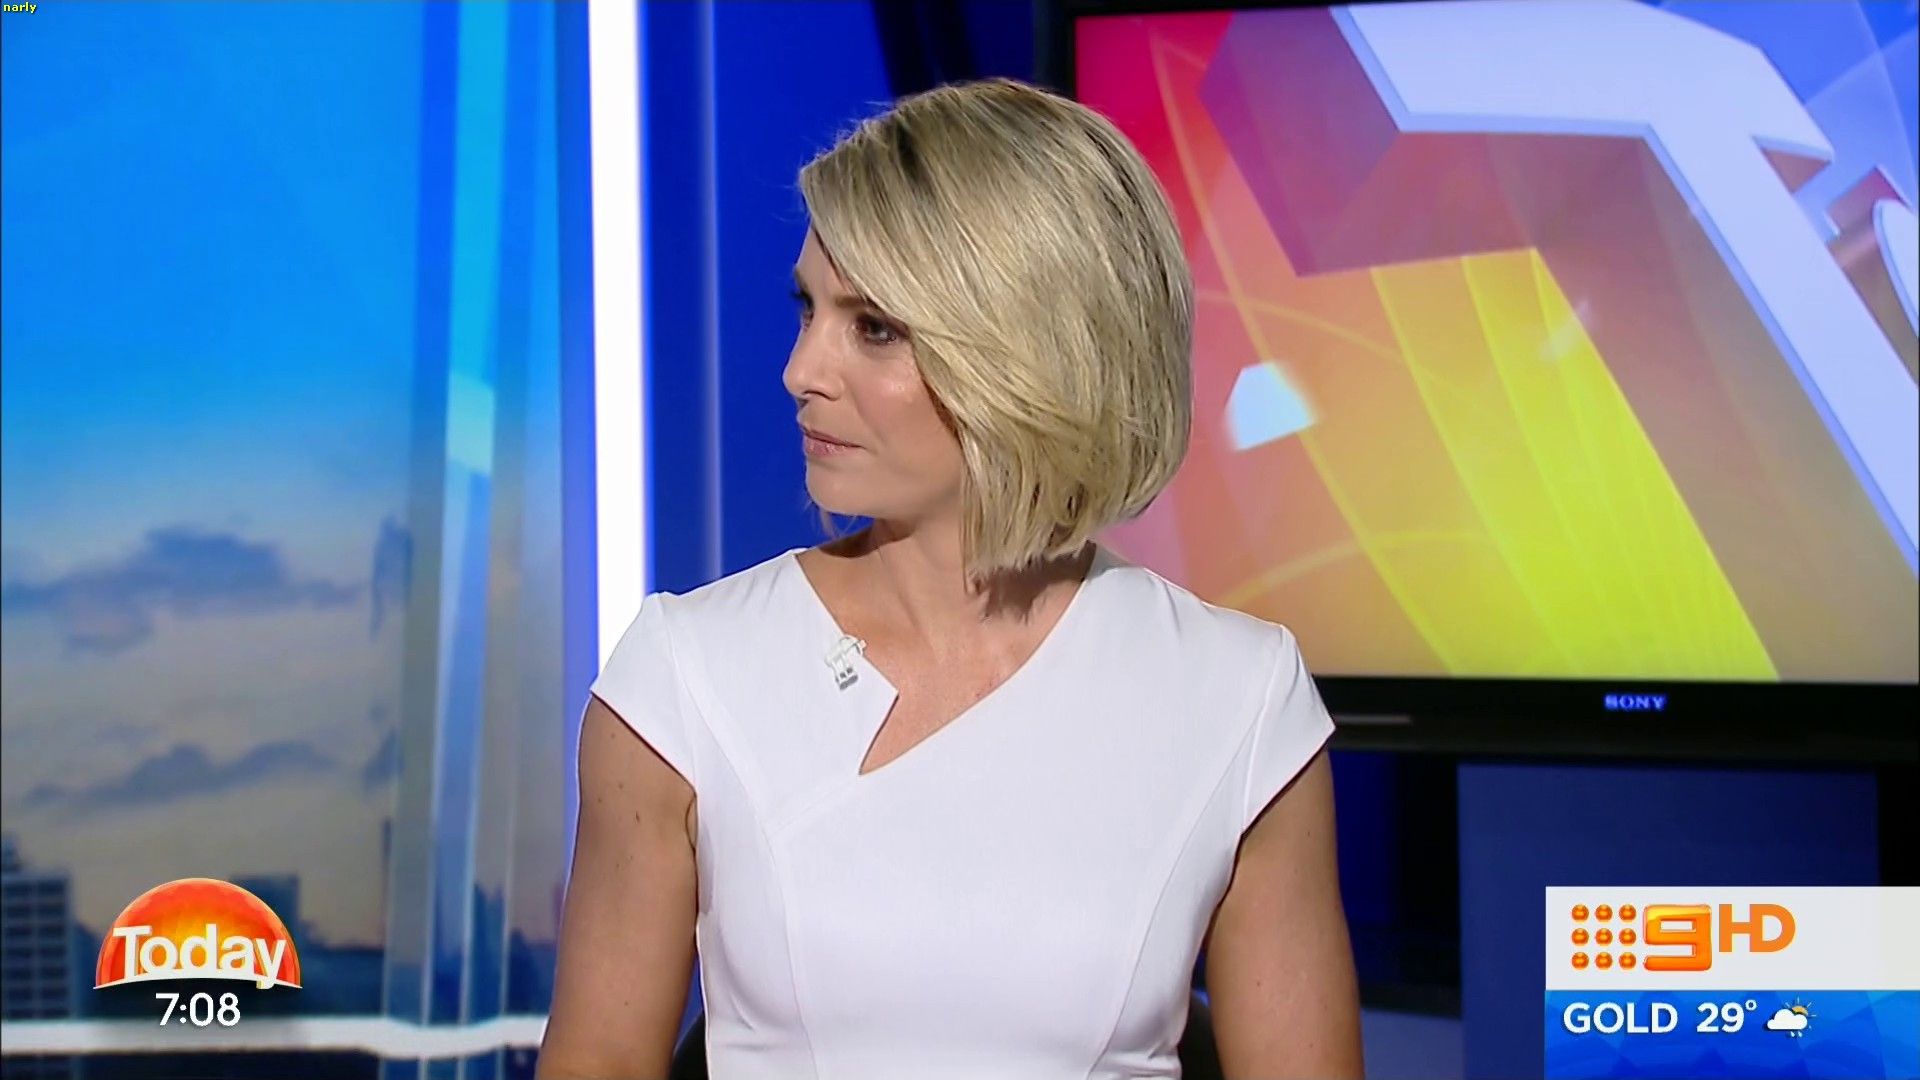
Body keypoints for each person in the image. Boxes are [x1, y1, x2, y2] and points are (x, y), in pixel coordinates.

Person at [538, 77, 1362, 1080]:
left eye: (874, 327)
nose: (802, 370)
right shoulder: (683, 678)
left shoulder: (1239, 698)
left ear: (1031, 352)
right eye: (809, 310)